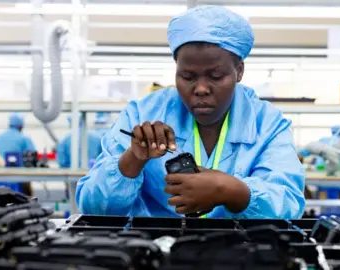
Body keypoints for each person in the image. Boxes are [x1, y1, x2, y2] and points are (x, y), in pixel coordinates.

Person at [76, 6, 305, 219]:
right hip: (157, 253)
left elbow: (289, 204)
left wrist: (232, 191)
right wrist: (132, 161)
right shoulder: (141, 114)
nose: (201, 89)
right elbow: (93, 207)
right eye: (188, 77)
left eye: (215, 76)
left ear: (239, 71)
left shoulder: (267, 123)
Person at [0, 113, 36, 195]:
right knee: (19, 203)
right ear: (21, 125)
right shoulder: (24, 138)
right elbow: (32, 158)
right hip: (17, 180)